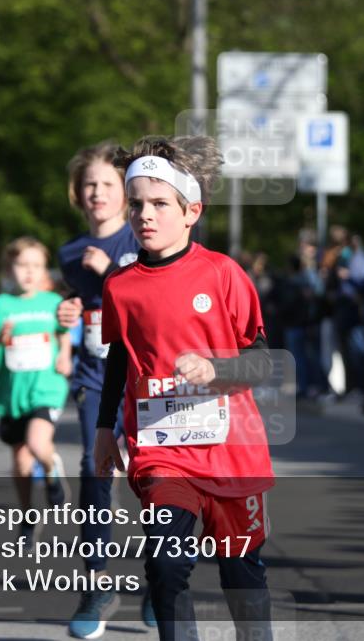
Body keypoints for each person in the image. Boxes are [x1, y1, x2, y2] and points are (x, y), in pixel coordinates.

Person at [95, 135, 275, 641]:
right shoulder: (120, 286)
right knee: (166, 565)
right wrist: (105, 429)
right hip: (162, 451)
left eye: (159, 204)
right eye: (136, 205)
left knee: (240, 569)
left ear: (191, 210)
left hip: (231, 450)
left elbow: (261, 363)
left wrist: (214, 370)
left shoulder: (223, 274)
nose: (144, 216)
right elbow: (118, 361)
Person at [55, 142, 142, 639]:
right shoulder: (70, 253)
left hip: (145, 376)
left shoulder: (143, 238)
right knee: (93, 470)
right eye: (90, 185)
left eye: (108, 184)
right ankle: (97, 583)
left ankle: (161, 578)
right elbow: (76, 305)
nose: (98, 193)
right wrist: (64, 312)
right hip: (94, 375)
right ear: (77, 193)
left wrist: (110, 273)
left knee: (155, 478)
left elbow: (149, 298)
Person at [0, 237, 72, 539]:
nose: (29, 272)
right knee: (19, 460)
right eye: (22, 265)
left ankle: (52, 472)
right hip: (12, 392)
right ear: (8, 268)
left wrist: (65, 354)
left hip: (46, 387)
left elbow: (64, 332)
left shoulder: (53, 303)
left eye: (36, 266)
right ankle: (28, 514)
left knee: (38, 443)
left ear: (45, 271)